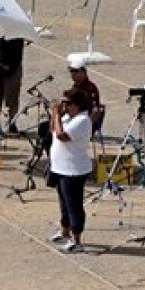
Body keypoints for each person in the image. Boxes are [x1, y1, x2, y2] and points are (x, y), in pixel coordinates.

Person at [48, 91, 93, 252]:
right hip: (60, 168)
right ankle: (64, 231)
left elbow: (62, 136)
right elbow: (52, 129)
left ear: (78, 105)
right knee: (64, 203)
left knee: (74, 205)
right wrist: (56, 115)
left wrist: (56, 114)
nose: (65, 107)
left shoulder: (82, 120)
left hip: (74, 170)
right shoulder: (68, 117)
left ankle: (77, 240)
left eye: (68, 104)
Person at [0, 33, 26, 135]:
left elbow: (19, 49)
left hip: (13, 65)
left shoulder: (17, 31)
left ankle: (12, 123)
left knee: (12, 96)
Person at [64, 55, 105, 137]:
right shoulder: (76, 85)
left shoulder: (90, 88)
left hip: (82, 121)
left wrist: (88, 125)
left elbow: (95, 110)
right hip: (73, 118)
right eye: (71, 71)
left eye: (75, 71)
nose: (72, 74)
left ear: (83, 72)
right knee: (44, 127)